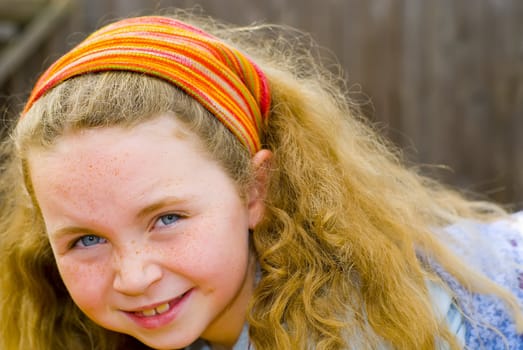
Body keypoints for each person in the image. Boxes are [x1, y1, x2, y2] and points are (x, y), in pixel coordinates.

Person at [0, 12, 521, 350]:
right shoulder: (92, 325)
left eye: (167, 219)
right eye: (86, 239)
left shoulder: (369, 329)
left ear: (255, 190)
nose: (133, 277)